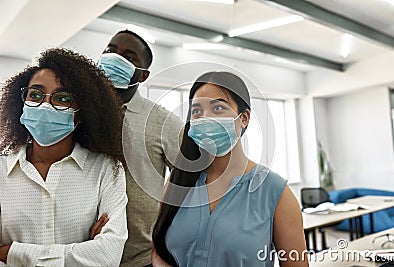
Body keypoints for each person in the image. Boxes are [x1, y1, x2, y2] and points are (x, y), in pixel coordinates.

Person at [152, 71, 308, 266]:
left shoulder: (275, 192)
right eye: (197, 111)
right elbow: (159, 250)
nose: (205, 118)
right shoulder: (177, 183)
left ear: (244, 118)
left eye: (218, 108)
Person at [0, 48, 128, 266]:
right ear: (21, 103)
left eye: (62, 98)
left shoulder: (106, 170)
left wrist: (11, 253)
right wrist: (79, 253)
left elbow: (107, 256)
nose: (46, 104)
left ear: (82, 110)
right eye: (36, 95)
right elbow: (93, 258)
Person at [98, 30, 183, 267]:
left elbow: (192, 183)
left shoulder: (162, 121)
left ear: (142, 75)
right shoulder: (80, 115)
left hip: (142, 258)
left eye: (129, 57)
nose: (115, 58)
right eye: (110, 50)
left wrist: (169, 231)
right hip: (87, 253)